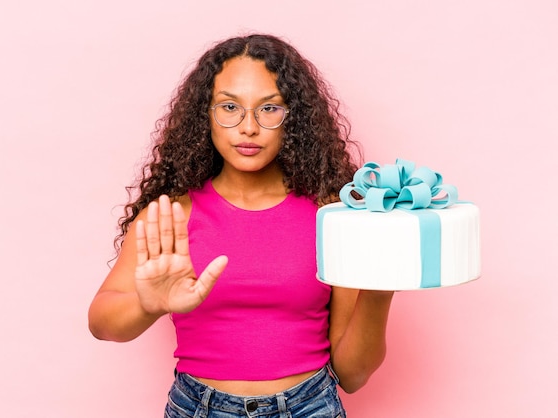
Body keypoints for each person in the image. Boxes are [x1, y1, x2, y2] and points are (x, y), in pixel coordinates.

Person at [88, 33, 394, 417]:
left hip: (310, 407)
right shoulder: (172, 216)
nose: (248, 126)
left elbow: (353, 373)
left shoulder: (331, 217)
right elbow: (101, 323)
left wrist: (381, 289)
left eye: (269, 109)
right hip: (198, 407)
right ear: (206, 114)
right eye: (229, 106)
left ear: (293, 118)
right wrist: (149, 307)